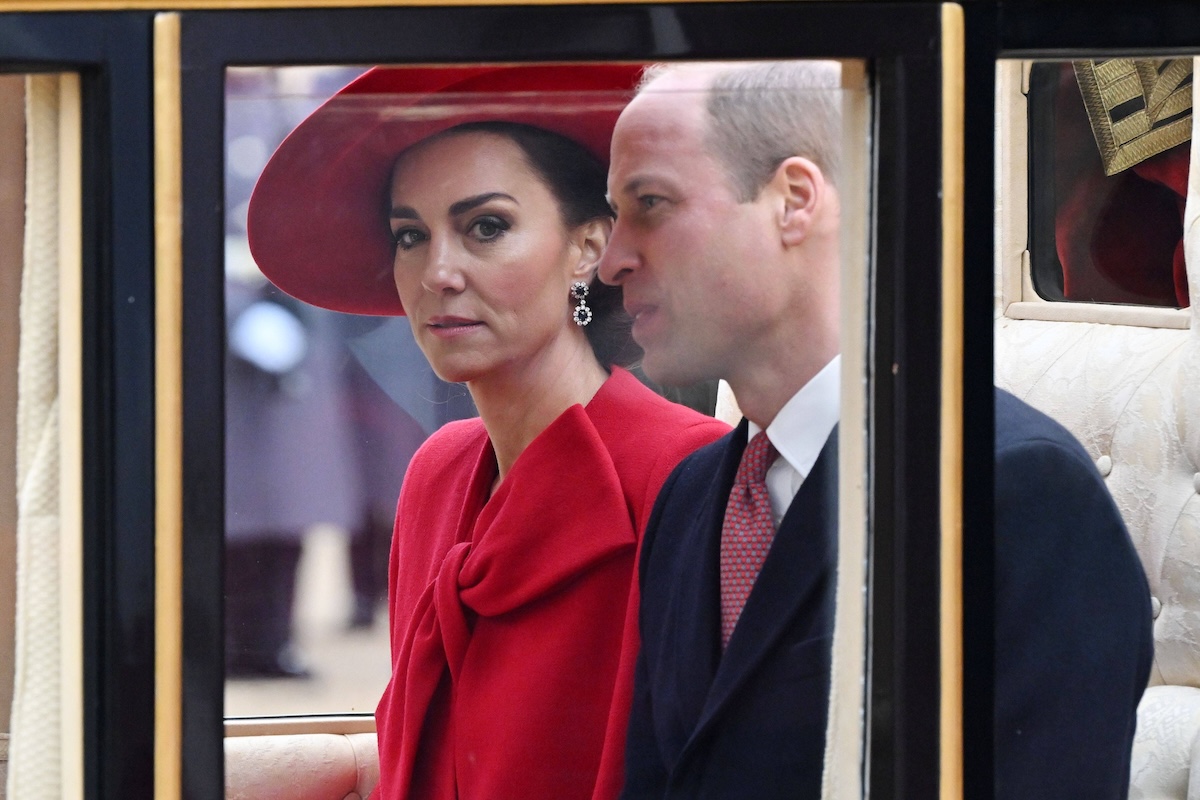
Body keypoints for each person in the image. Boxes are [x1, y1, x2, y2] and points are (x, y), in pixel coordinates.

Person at [598, 61, 1153, 798]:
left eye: (652, 204)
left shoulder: (1010, 491)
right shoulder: (691, 499)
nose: (611, 262)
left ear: (793, 200)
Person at [246, 64, 729, 800]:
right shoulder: (438, 472)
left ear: (589, 246)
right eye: (410, 236)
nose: (437, 271)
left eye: (486, 228)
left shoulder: (685, 475)